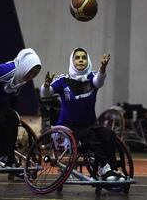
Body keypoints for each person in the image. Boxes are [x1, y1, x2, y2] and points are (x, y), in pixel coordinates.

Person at [40, 47, 123, 181]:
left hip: (89, 124)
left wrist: (102, 68)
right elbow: (46, 93)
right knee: (89, 136)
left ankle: (112, 169)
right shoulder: (63, 80)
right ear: (72, 61)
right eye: (77, 58)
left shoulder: (92, 78)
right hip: (68, 127)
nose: (80, 60)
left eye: (83, 57)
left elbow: (99, 81)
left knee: (109, 134)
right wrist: (46, 85)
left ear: (87, 60)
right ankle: (105, 168)